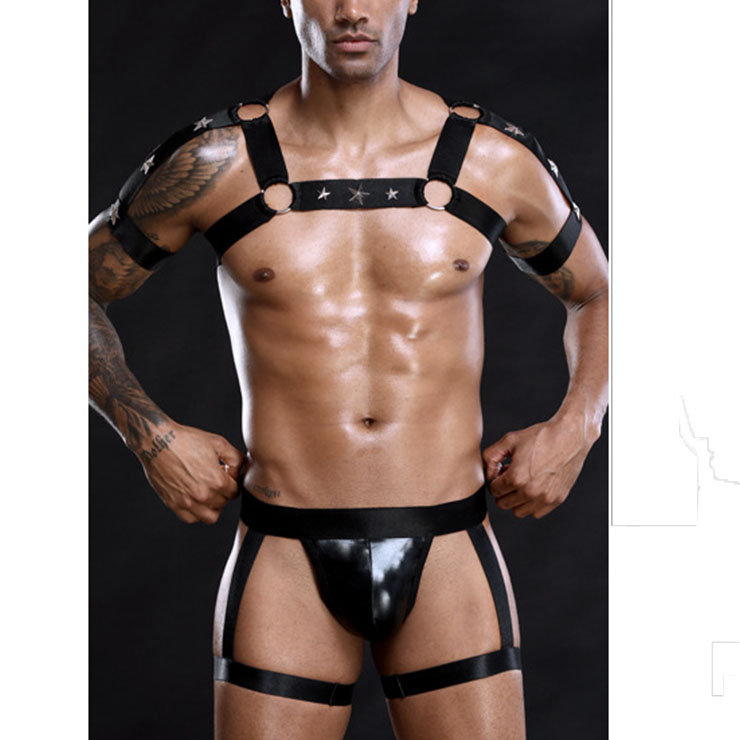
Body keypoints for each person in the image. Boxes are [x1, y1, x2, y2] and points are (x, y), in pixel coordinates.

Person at [89, 0, 608, 737]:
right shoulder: (219, 163)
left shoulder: (490, 159)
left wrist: (577, 427)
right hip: (285, 553)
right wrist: (151, 437)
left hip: (449, 545)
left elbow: (597, 291)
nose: (352, 11)